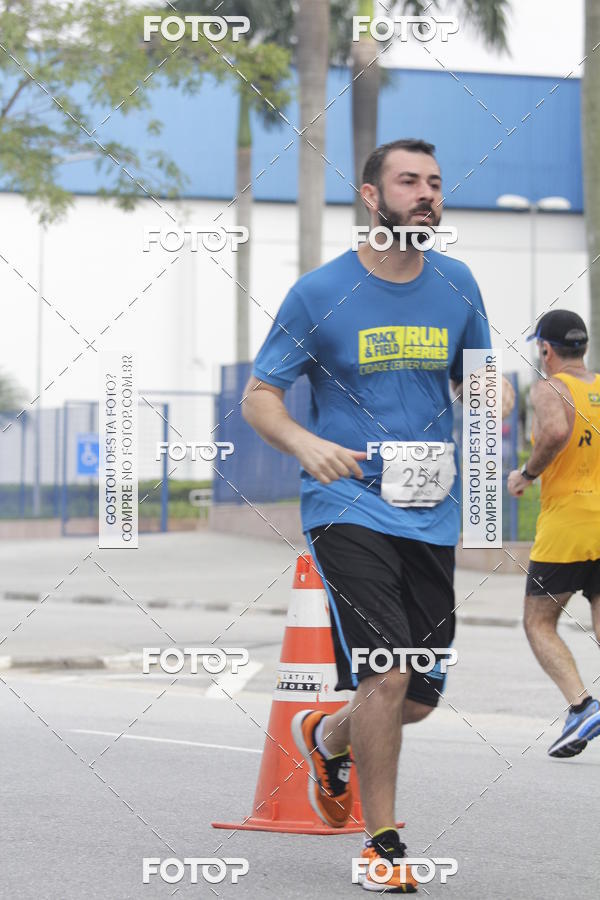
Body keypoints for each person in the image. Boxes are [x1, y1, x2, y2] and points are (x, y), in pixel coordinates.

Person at [243, 138, 513, 892]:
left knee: (415, 701)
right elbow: (260, 397)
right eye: (408, 182)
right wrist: (305, 441)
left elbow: (479, 383)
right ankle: (383, 845)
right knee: (387, 673)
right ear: (371, 197)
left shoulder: (458, 285)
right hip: (347, 504)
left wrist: (500, 400)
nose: (426, 193)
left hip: (430, 511)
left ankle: (325, 735)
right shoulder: (318, 293)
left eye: (434, 182)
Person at [508, 309, 600, 758]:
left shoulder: (551, 388)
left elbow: (556, 430)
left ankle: (581, 705)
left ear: (546, 350)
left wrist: (526, 473)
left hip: (567, 524)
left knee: (539, 621)